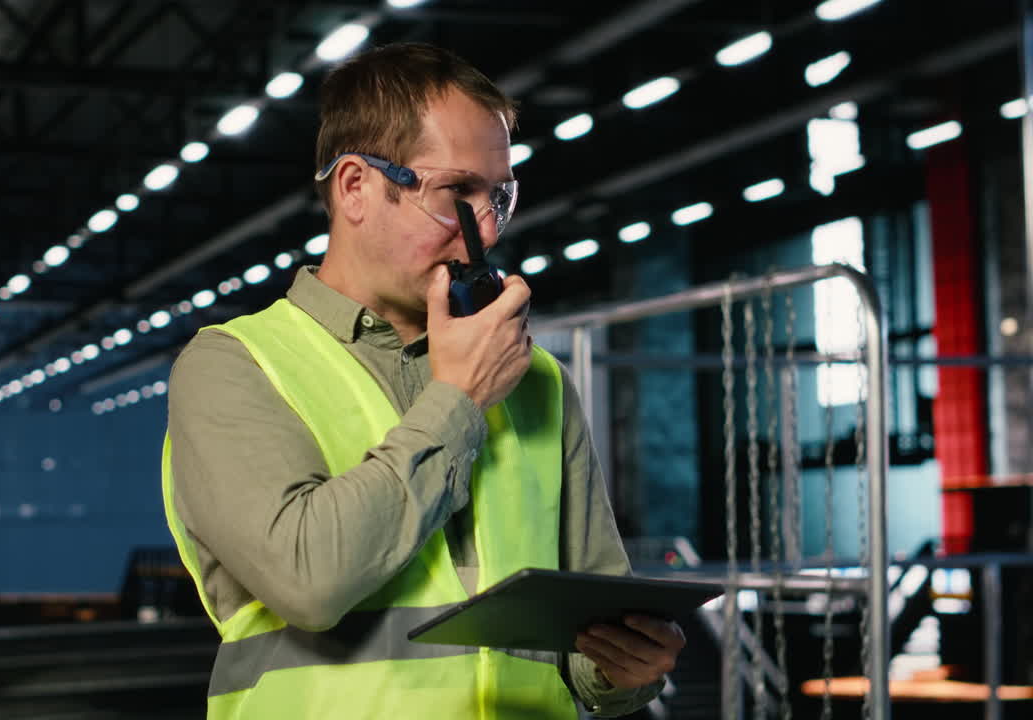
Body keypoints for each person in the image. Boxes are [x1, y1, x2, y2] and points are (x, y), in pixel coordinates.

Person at [163, 41, 685, 719]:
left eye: (500, 195)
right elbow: (309, 581)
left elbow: (587, 639)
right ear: (356, 186)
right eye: (457, 194)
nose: (487, 229)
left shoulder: (537, 380)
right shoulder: (235, 366)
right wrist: (459, 399)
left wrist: (625, 667)